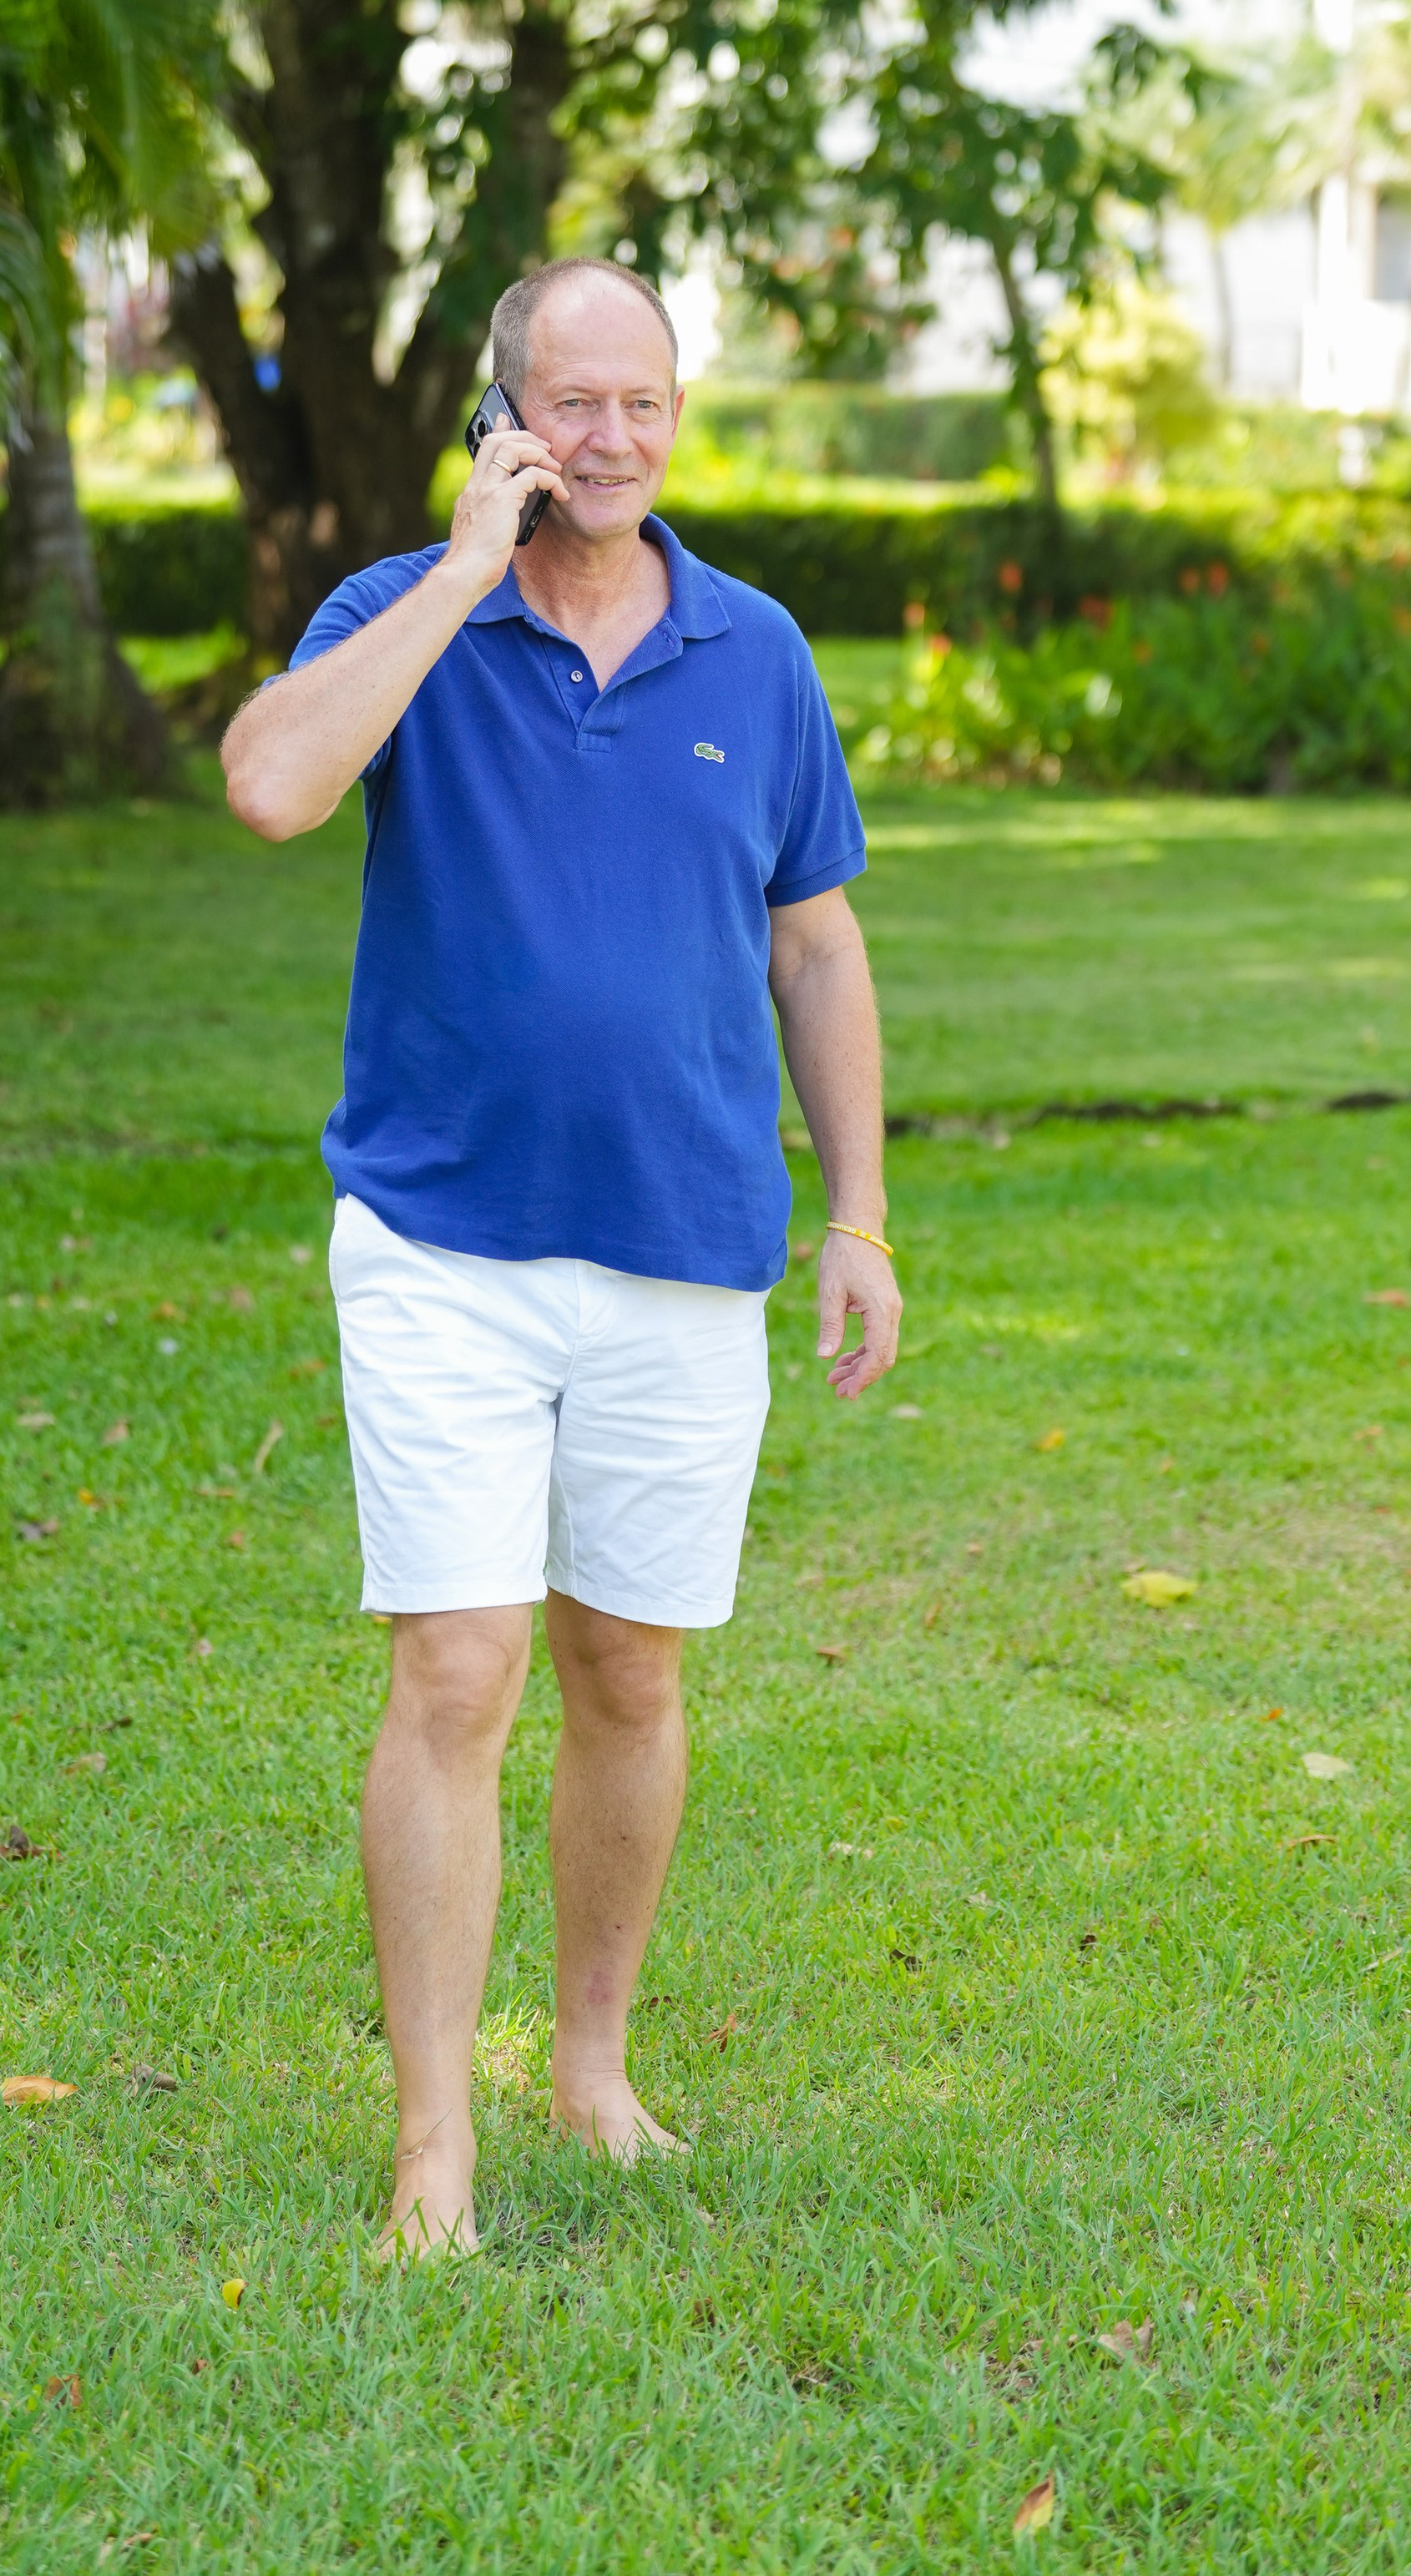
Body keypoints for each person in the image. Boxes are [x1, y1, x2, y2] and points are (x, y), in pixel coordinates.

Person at [220, 256, 901, 2260]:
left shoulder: (752, 650)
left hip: (686, 1249)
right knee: (455, 1669)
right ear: (504, 414)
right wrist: (452, 574)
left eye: (642, 406)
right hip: (440, 1238)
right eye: (569, 405)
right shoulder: (401, 616)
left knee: (627, 1670)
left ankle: (587, 2068)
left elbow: (815, 942)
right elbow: (267, 786)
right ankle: (430, 2145)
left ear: (674, 417)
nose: (609, 441)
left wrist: (855, 1212)